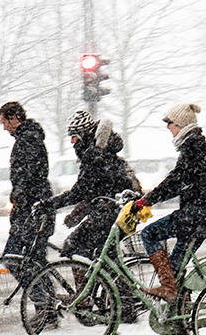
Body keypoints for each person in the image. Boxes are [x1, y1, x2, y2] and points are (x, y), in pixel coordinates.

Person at [131, 103, 206, 335]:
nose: (168, 128)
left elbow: (176, 180)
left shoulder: (193, 147)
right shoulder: (193, 145)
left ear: (181, 124)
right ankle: (176, 326)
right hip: (201, 213)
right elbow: (180, 180)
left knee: (150, 234)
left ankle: (169, 289)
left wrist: (146, 200)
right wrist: (149, 198)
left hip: (197, 215)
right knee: (175, 267)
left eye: (170, 123)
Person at [44, 110, 138, 259]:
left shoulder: (95, 156)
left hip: (111, 214)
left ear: (83, 135)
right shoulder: (99, 153)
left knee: (73, 247)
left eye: (74, 136)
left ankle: (92, 282)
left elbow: (81, 191)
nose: (72, 141)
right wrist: (78, 211)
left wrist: (48, 204)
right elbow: (94, 190)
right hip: (117, 212)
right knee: (101, 257)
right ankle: (110, 280)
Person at [0, 101, 54, 286]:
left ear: (14, 119)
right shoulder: (30, 138)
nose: (5, 128)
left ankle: (43, 302)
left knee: (14, 258)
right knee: (35, 262)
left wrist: (19, 203)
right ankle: (47, 307)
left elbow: (28, 178)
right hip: (35, 209)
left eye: (5, 123)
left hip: (31, 211)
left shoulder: (27, 140)